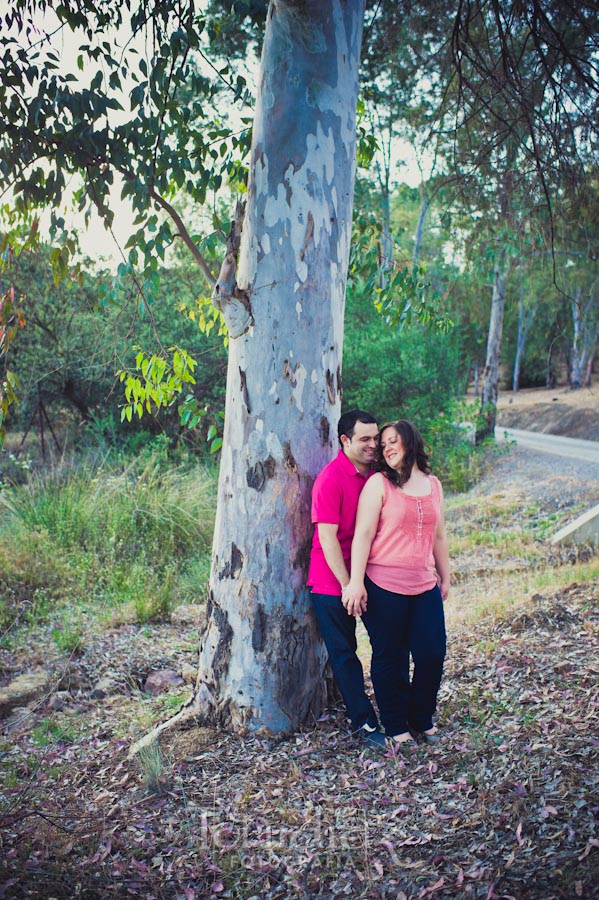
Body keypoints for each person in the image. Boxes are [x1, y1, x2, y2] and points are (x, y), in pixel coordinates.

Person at [344, 420, 450, 747]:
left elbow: (439, 535)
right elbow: (363, 534)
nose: (386, 448)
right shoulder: (378, 484)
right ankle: (395, 726)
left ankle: (421, 718)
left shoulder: (433, 484)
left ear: (411, 443)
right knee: (390, 657)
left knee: (432, 653)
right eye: (383, 444)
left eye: (393, 441)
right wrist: (355, 582)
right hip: (382, 584)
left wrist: (445, 575)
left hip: (423, 585)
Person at [307, 409, 386, 749]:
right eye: (365, 439)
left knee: (388, 645)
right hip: (332, 581)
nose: (373, 444)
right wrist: (347, 584)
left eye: (375, 438)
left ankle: (396, 713)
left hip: (373, 574)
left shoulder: (380, 475)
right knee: (344, 653)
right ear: (345, 440)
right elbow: (327, 539)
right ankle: (364, 722)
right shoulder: (330, 478)